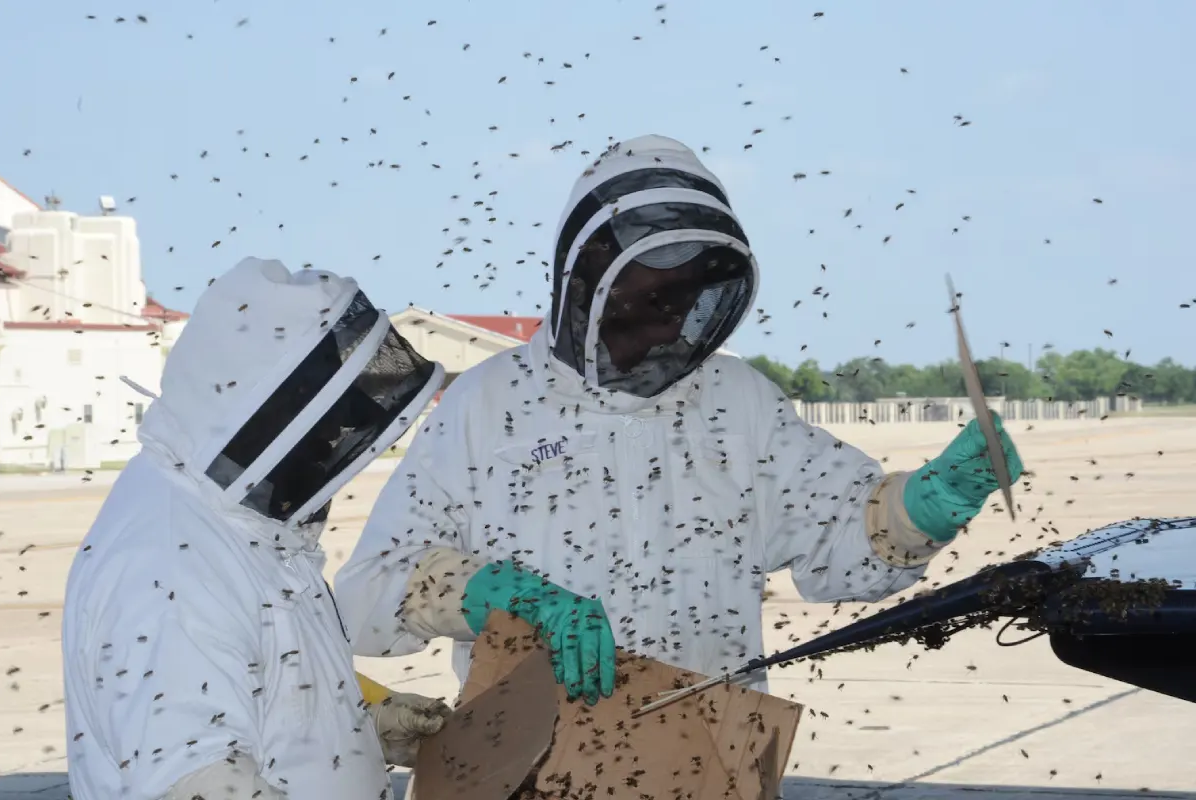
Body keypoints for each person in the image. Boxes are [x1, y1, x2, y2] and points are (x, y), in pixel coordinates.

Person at [333, 135, 1024, 707]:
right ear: (589, 277)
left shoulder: (740, 403)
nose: (671, 312)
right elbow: (364, 599)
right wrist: (488, 593)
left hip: (712, 752)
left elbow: (839, 537)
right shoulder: (486, 405)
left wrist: (922, 506)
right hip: (530, 761)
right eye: (653, 290)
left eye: (687, 291)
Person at [63, 257, 453, 800]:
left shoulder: (230, 519)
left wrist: (363, 718)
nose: (339, 436)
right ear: (262, 413)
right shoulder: (170, 564)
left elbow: (254, 673)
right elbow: (196, 783)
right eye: (328, 420)